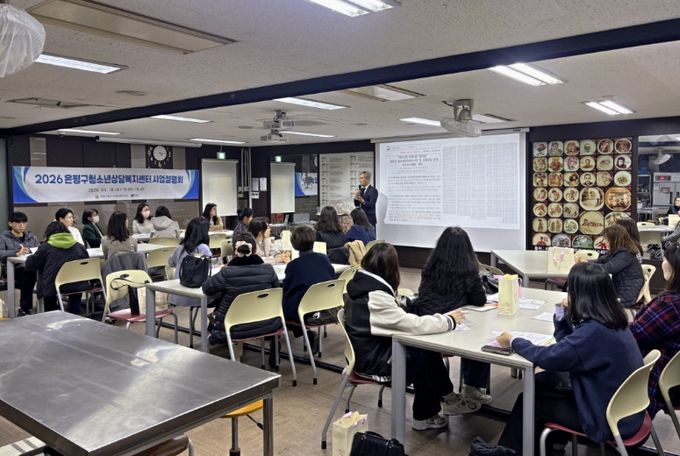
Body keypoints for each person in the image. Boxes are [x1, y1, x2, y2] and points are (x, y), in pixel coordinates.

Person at [495, 263, 644, 454]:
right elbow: (568, 347)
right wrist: (561, 312)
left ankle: (510, 452)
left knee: (529, 402)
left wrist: (513, 341)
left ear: (578, 294)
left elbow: (547, 357)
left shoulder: (593, 332)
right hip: (625, 410)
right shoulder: (613, 318)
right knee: (542, 381)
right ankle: (552, 447)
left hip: (606, 419)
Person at [344, 242, 464, 430]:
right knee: (422, 352)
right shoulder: (375, 297)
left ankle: (447, 396)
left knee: (422, 347)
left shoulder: (362, 284)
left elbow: (393, 309)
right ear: (391, 268)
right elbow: (412, 324)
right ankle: (424, 416)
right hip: (373, 362)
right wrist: (448, 320)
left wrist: (411, 302)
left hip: (371, 349)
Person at [410, 227, 491, 412]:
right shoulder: (468, 270)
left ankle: (452, 393)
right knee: (483, 334)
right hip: (452, 325)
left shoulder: (429, 267)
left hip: (426, 322)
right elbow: (479, 300)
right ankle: (472, 386)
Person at [202, 232, 280, 349]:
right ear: (254, 249)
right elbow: (276, 290)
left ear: (235, 250)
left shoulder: (227, 273)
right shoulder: (269, 270)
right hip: (267, 324)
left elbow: (207, 288)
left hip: (234, 327)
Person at [630, 243, 680, 417]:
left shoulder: (669, 305)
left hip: (654, 380)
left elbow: (634, 336)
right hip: (674, 378)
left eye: (665, 258)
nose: (663, 261)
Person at [282, 225, 335, 347]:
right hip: (325, 305)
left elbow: (287, 290)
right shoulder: (324, 258)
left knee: (280, 306)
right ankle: (306, 333)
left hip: (304, 309)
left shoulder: (293, 266)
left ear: (294, 243)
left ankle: (276, 339)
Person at [25, 221, 89, 314]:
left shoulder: (46, 247)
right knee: (75, 286)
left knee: (49, 290)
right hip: (77, 284)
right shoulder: (80, 247)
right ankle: (75, 312)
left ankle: (52, 314)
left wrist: (29, 257)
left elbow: (31, 264)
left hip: (53, 286)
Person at [586, 224, 643, 308]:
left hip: (626, 295)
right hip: (619, 289)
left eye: (606, 239)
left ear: (614, 240)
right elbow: (602, 260)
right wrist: (587, 262)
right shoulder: (619, 251)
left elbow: (607, 268)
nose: (604, 242)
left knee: (592, 299)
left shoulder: (625, 255)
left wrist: (586, 265)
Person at [0, 212, 40, 316]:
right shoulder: (3, 238)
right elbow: (0, 253)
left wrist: (31, 251)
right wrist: (16, 253)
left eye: (24, 222)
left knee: (46, 272)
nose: (22, 225)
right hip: (14, 269)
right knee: (28, 274)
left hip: (32, 266)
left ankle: (46, 306)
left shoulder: (31, 237)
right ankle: (25, 309)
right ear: (10, 223)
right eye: (18, 223)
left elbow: (39, 250)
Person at [168, 218, 212, 307]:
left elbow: (171, 262)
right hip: (195, 295)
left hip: (177, 294)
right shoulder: (203, 248)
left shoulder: (180, 247)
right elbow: (209, 268)